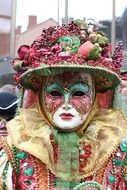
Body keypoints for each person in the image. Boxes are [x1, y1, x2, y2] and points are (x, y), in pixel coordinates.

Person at [0, 19, 126, 190]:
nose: (66, 104)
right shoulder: (15, 150)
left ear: (95, 96)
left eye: (79, 93)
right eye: (54, 93)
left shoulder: (117, 152)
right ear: (41, 95)